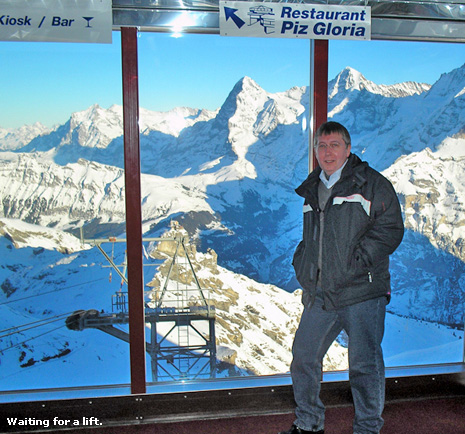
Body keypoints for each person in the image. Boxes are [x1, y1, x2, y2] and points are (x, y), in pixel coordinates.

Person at [280, 121, 404, 434]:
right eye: (321, 145)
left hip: (362, 290)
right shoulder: (313, 188)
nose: (327, 151)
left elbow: (391, 229)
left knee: (364, 365)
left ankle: (367, 428)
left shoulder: (372, 184)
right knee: (304, 357)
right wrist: (303, 263)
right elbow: (314, 238)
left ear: (348, 149)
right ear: (315, 151)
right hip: (322, 292)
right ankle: (308, 424)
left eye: (334, 144)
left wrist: (356, 262)